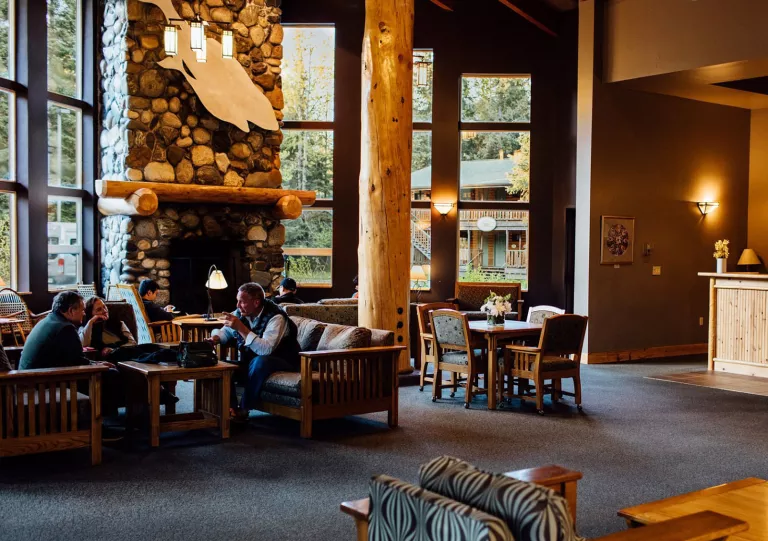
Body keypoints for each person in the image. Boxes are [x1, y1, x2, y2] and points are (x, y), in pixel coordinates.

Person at [19, 291, 124, 414]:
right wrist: (98, 365)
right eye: (82, 310)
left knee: (104, 369)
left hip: (29, 381)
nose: (84, 314)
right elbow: (78, 362)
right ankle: (100, 424)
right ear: (70, 311)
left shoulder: (47, 321)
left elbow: (73, 359)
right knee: (111, 374)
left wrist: (96, 363)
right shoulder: (65, 328)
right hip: (44, 383)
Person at [207, 282, 300, 417]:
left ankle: (244, 407)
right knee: (225, 367)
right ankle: (231, 410)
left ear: (256, 303)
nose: (237, 306)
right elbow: (225, 331)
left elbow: (266, 349)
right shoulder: (241, 312)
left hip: (285, 361)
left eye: (242, 302)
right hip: (252, 361)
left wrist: (241, 328)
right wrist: (215, 338)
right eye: (237, 301)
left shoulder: (276, 317)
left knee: (260, 361)